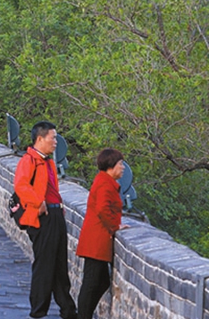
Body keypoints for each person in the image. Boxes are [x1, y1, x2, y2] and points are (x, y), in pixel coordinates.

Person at [14, 121, 79, 319]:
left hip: (56, 215)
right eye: (53, 137)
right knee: (44, 265)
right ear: (40, 139)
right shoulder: (29, 160)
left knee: (59, 264)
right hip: (43, 218)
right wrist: (38, 202)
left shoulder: (48, 161)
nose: (55, 142)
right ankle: (38, 311)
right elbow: (21, 186)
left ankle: (68, 310)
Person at [76, 149, 127, 319]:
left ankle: (85, 314)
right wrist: (115, 226)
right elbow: (102, 208)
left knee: (102, 281)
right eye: (120, 164)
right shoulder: (105, 183)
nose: (123, 167)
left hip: (96, 239)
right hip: (96, 240)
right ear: (111, 166)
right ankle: (83, 315)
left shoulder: (104, 181)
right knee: (91, 283)